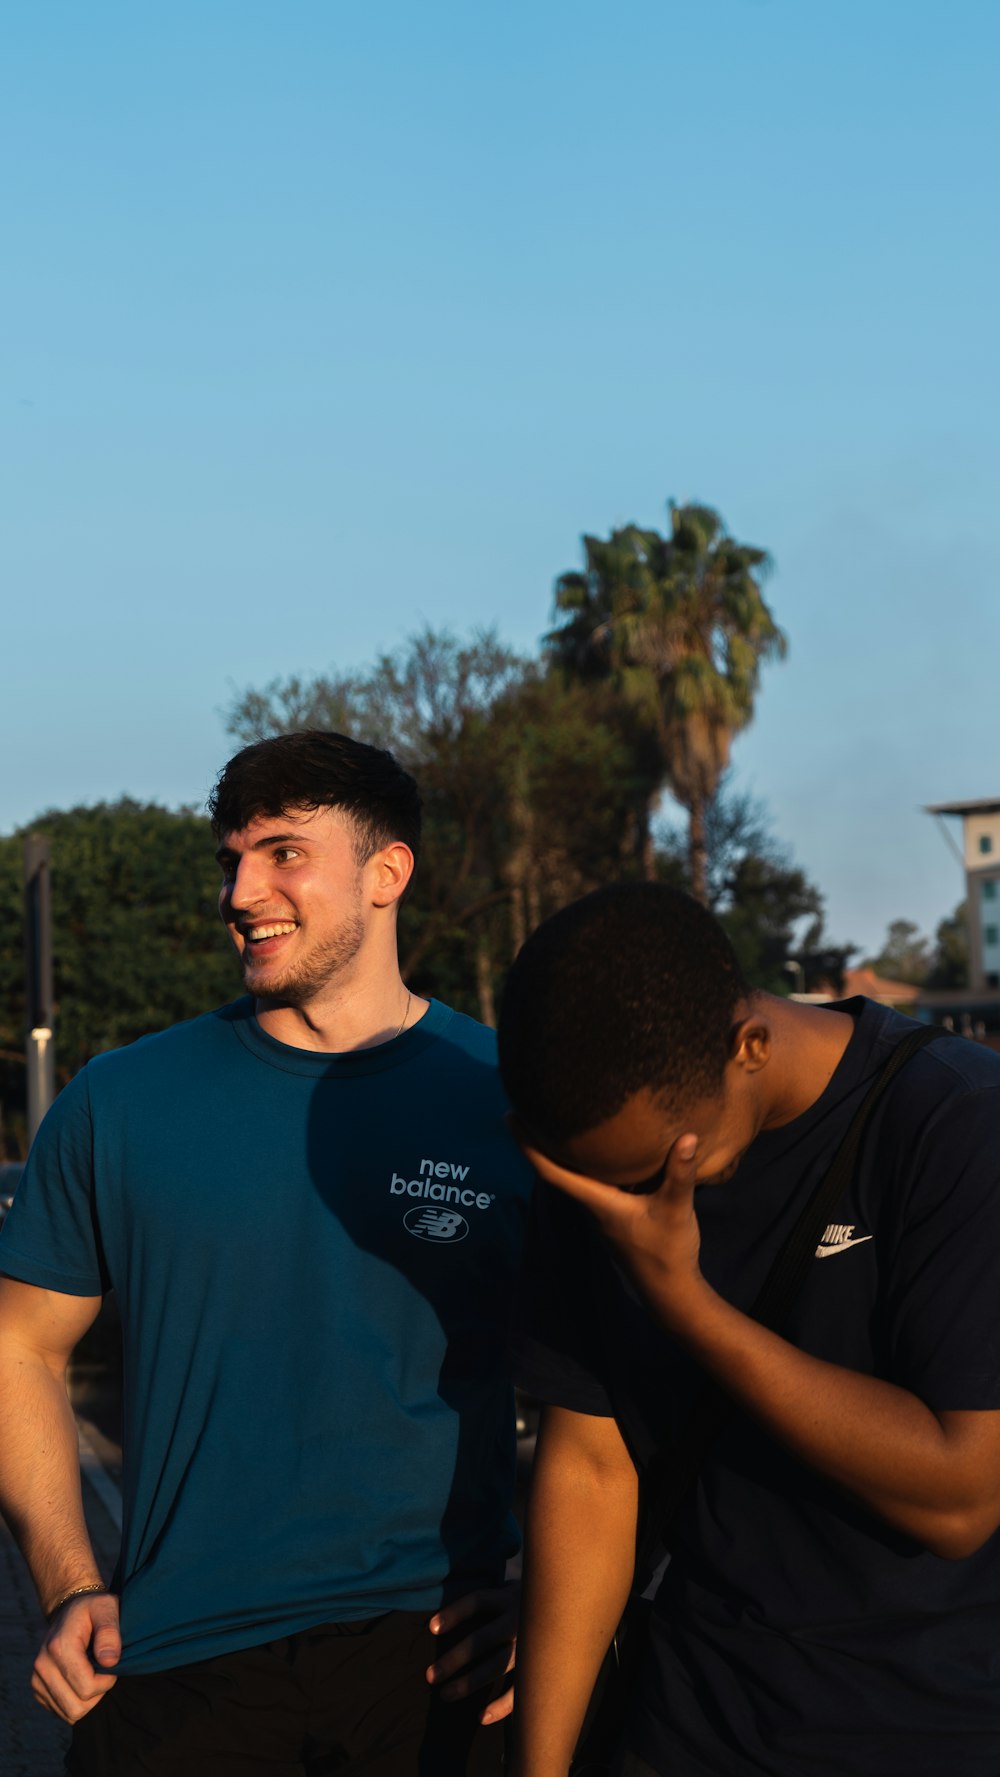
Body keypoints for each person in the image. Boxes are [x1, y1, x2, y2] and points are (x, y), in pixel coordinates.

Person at [0, 729, 534, 1777]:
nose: (242, 892)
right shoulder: (121, 1101)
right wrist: (67, 1584)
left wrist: (551, 1603)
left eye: (284, 852)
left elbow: (601, 1393)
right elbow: (18, 1347)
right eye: (230, 859)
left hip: (433, 1659)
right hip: (172, 1665)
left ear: (388, 872)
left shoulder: (510, 1101)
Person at [496, 882, 1000, 1777]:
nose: (629, 1205)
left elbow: (962, 1494)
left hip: (934, 1728)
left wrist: (682, 1300)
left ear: (750, 1047)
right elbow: (590, 1462)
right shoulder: (598, 1159)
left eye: (656, 1170)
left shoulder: (954, 1123)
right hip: (685, 1723)